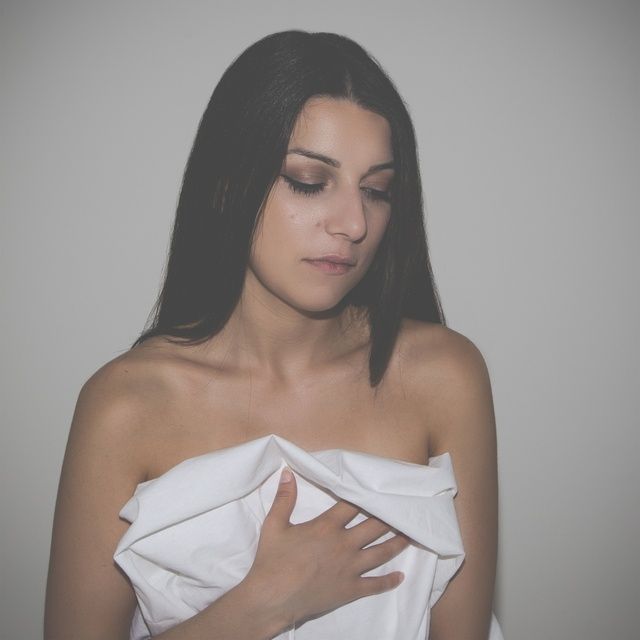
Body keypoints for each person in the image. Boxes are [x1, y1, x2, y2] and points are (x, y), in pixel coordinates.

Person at [44, 30, 502, 639]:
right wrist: (262, 604)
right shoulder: (126, 406)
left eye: (377, 190)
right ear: (226, 183)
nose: (354, 223)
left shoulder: (442, 376)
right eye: (309, 181)